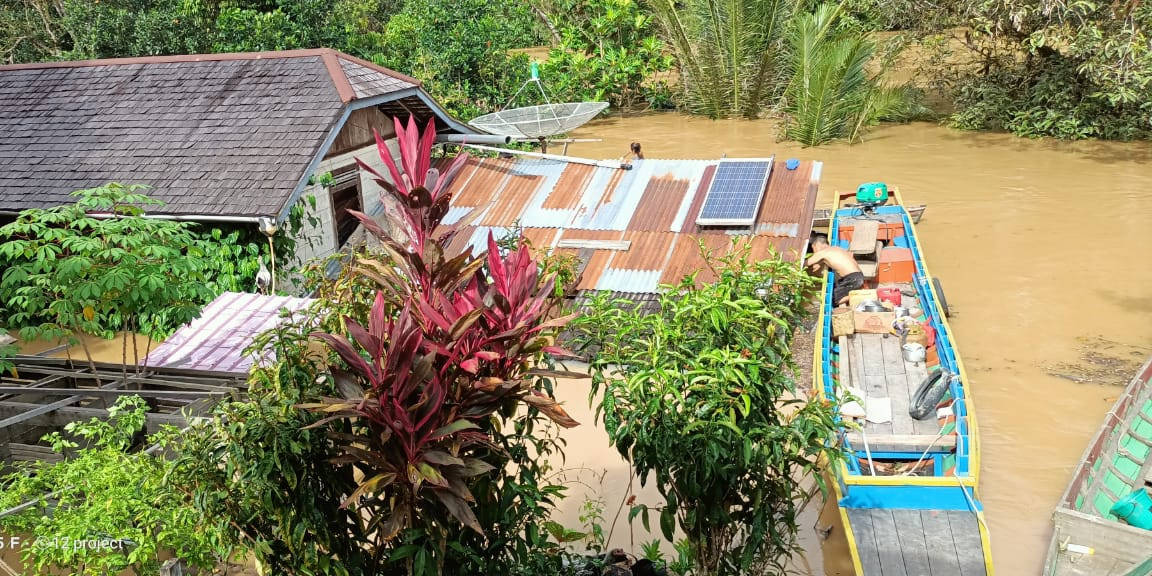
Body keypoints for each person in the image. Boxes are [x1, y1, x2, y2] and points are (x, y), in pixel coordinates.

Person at [807, 236, 863, 306]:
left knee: (831, 300)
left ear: (817, 245)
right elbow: (826, 260)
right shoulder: (836, 249)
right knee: (834, 289)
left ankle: (860, 296)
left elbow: (806, 263)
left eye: (813, 249)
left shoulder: (823, 252)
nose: (814, 252)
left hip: (852, 279)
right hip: (858, 276)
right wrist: (819, 263)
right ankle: (857, 294)